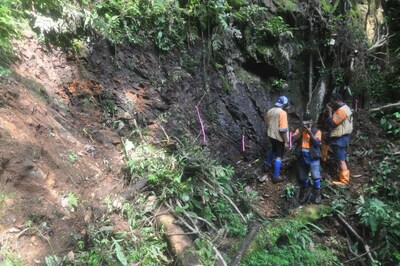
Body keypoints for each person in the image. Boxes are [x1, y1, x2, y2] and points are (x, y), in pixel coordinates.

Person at [292, 114, 322, 204]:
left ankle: (317, 194)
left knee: (315, 176)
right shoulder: (299, 130)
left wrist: (309, 132)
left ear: (312, 122)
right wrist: (301, 131)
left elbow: (317, 143)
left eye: (308, 122)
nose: (307, 124)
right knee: (303, 177)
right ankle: (304, 192)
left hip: (313, 157)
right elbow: (293, 140)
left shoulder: (317, 131)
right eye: (305, 122)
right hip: (301, 156)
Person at [259, 96, 289, 183]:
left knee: (273, 149)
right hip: (279, 137)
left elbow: (268, 122)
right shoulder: (282, 113)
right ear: (284, 104)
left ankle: (267, 165)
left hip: (271, 135)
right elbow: (283, 130)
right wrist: (286, 141)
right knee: (279, 155)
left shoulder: (270, 111)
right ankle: (276, 177)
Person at [325, 93, 353, 185]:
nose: (331, 104)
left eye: (332, 102)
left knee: (341, 160)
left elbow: (332, 123)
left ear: (337, 100)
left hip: (339, 139)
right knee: (341, 158)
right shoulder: (346, 108)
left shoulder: (341, 111)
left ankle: (344, 181)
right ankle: (323, 157)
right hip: (343, 137)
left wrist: (329, 111)